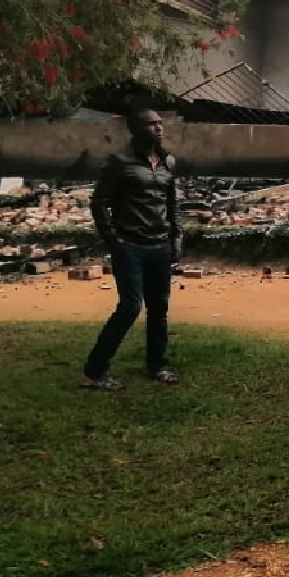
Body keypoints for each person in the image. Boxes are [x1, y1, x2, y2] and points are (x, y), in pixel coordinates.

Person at [81, 108, 182, 390]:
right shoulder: (119, 162)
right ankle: (95, 371)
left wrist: (177, 238)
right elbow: (99, 203)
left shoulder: (167, 162)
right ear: (135, 130)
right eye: (151, 125)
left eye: (160, 124)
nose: (159, 129)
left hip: (160, 245)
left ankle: (157, 365)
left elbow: (172, 203)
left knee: (159, 307)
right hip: (130, 246)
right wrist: (115, 241)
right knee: (130, 307)